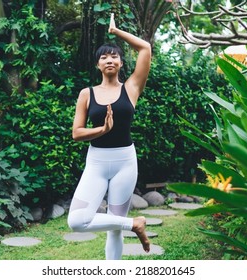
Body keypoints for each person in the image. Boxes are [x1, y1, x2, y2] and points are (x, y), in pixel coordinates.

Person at [67, 13, 152, 260]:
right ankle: (135, 224)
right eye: (103, 57)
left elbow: (145, 48)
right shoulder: (87, 94)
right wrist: (101, 131)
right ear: (98, 65)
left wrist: (116, 32)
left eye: (114, 55)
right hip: (97, 163)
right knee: (77, 221)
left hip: (125, 162)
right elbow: (76, 133)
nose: (109, 59)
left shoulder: (132, 88)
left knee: (115, 231)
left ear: (122, 63)